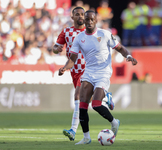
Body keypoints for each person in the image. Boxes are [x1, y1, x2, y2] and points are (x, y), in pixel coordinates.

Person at [58, 10, 137, 145]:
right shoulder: (79, 38)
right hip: (88, 72)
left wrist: (128, 56)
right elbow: (72, 58)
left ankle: (114, 122)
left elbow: (120, 48)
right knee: (82, 105)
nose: (89, 22)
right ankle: (86, 137)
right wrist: (65, 68)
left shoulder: (104, 34)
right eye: (87, 19)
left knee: (95, 104)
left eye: (91, 20)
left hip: (103, 72)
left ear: (96, 20)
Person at [52, 7, 114, 142]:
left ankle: (73, 130)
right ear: (72, 17)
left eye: (82, 15)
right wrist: (57, 49)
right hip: (74, 70)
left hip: (87, 69)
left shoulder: (90, 32)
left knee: (78, 97)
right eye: (77, 15)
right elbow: (56, 48)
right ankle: (105, 98)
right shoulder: (66, 32)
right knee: (86, 101)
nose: (81, 17)